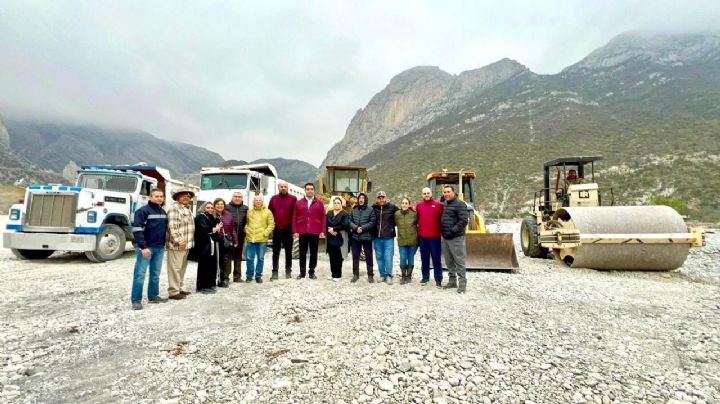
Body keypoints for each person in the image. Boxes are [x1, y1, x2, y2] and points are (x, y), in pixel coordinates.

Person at [130, 189, 169, 310]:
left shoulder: (162, 212)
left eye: (161, 196)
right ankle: (136, 300)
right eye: (157, 196)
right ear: (150, 197)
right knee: (140, 274)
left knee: (155, 274)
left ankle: (153, 296)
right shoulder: (143, 211)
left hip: (159, 247)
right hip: (146, 248)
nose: (159, 198)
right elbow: (137, 229)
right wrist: (143, 247)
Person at [165, 188, 195, 301]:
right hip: (177, 245)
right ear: (177, 197)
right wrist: (180, 241)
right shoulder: (174, 209)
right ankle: (173, 292)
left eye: (187, 195)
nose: (186, 197)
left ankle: (179, 288)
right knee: (175, 268)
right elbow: (173, 227)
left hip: (186, 245)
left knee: (182, 268)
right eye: (183, 195)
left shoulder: (188, 209)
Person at [292, 183, 326, 279]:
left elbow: (323, 217)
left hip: (314, 231)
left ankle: (311, 272)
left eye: (311, 189)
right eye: (308, 189)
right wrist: (295, 231)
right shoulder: (299, 203)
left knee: (313, 253)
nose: (310, 191)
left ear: (314, 191)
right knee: (302, 253)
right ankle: (302, 273)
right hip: (302, 231)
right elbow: (294, 217)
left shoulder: (319, 203)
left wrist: (322, 230)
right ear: (305, 190)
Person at [440, 185, 469, 294]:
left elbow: (464, 220)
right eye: (445, 192)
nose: (446, 194)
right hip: (445, 237)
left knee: (459, 261)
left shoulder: (460, 204)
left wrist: (453, 230)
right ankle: (452, 281)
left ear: (453, 192)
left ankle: (462, 285)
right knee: (449, 261)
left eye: (448, 192)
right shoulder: (445, 203)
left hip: (456, 237)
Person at [268, 180, 297, 280]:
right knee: (275, 252)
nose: (283, 188)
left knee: (288, 252)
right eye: (281, 186)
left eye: (285, 186)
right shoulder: (273, 199)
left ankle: (288, 271)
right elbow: (269, 214)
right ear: (278, 187)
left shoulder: (293, 199)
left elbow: (295, 215)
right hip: (276, 229)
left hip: (288, 230)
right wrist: (271, 228)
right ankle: (274, 272)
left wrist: (294, 229)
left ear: (287, 187)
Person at [416, 187, 444, 287]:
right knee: (424, 258)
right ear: (422, 194)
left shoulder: (438, 205)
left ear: (431, 194)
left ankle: (438, 279)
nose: (426, 195)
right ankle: (425, 277)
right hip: (423, 237)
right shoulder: (419, 205)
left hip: (435, 237)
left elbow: (444, 218)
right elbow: (417, 218)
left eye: (428, 193)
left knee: (436, 259)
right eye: (424, 193)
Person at [245, 195, 275, 283]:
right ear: (253, 202)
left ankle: (258, 276)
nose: (258, 202)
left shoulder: (268, 212)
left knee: (260, 258)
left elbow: (271, 225)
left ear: (262, 202)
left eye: (259, 200)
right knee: (249, 258)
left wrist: (265, 233)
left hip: (262, 240)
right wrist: (246, 229)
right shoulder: (249, 211)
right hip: (251, 238)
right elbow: (247, 223)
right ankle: (249, 276)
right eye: (256, 200)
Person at [194, 202, 222, 293]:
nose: (210, 209)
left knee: (211, 264)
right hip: (203, 245)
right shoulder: (200, 217)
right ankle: (201, 286)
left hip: (210, 244)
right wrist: (215, 229)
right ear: (203, 208)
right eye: (208, 207)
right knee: (204, 265)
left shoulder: (210, 217)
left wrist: (217, 224)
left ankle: (209, 284)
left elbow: (215, 225)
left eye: (211, 208)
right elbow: (204, 229)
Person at [372, 191, 399, 283]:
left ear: (386, 198)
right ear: (377, 199)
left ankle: (389, 275)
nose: (381, 199)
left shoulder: (392, 207)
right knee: (379, 257)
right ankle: (382, 274)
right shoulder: (373, 208)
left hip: (388, 237)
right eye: (379, 198)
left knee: (388, 257)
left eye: (382, 197)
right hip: (377, 237)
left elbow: (402, 212)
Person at [349, 192, 377, 283]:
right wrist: (356, 228)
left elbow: (372, 222)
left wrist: (363, 228)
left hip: (367, 237)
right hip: (355, 237)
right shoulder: (354, 209)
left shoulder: (370, 209)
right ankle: (355, 274)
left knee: (369, 256)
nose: (361, 199)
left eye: (363, 198)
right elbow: (349, 221)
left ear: (365, 200)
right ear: (358, 200)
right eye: (359, 198)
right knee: (355, 257)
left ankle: (370, 275)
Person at [225, 192, 248, 283]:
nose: (237, 198)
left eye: (239, 197)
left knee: (238, 257)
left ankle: (237, 277)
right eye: (235, 197)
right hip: (229, 237)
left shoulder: (245, 208)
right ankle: (226, 277)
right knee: (228, 257)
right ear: (232, 198)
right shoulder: (226, 207)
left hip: (241, 236)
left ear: (242, 198)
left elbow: (248, 221)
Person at [214, 198, 238, 287]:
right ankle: (215, 279)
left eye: (222, 204)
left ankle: (224, 278)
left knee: (226, 260)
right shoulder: (212, 214)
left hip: (226, 240)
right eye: (217, 204)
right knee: (216, 260)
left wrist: (235, 240)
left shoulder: (228, 215)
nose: (220, 206)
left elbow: (232, 229)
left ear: (224, 205)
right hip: (215, 241)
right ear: (214, 205)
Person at [326, 196, 350, 281]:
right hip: (330, 237)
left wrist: (334, 229)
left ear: (341, 204)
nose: (336, 204)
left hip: (339, 237)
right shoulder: (329, 213)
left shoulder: (345, 214)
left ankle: (338, 275)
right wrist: (329, 230)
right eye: (335, 203)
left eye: (338, 203)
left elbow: (345, 224)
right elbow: (325, 223)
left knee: (338, 257)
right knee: (331, 256)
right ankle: (333, 274)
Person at [395, 196, 418, 285]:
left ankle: (409, 276)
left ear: (409, 205)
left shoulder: (414, 214)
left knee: (411, 259)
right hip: (402, 241)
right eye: (403, 203)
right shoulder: (396, 214)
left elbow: (419, 223)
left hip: (413, 241)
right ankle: (403, 276)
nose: (404, 205)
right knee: (403, 259)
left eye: (406, 203)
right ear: (400, 205)